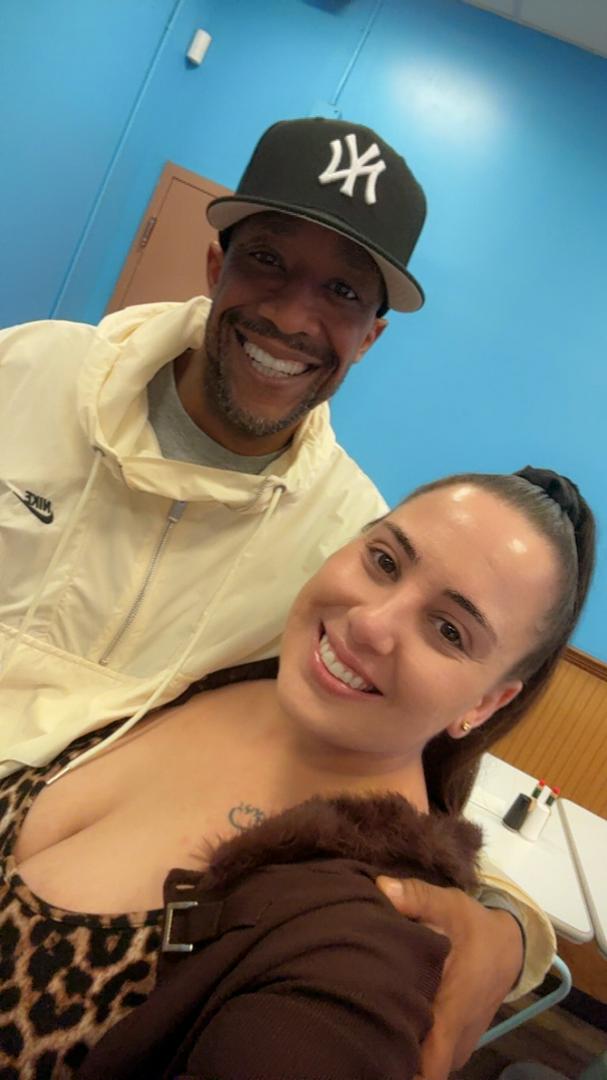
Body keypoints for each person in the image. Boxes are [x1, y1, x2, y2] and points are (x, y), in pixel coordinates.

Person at [0, 117, 562, 1073]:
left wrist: (508, 928)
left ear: (371, 335)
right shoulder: (28, 372)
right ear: (214, 263)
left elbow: (380, 779)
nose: (294, 317)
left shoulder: (343, 547)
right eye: (268, 259)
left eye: (342, 291)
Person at [0, 466, 594, 1078]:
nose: (370, 623)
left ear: (487, 704)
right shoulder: (234, 661)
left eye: (448, 630)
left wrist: (508, 934)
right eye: (385, 562)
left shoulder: (356, 941)